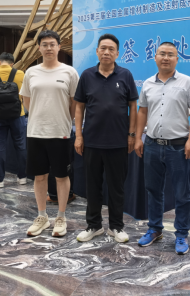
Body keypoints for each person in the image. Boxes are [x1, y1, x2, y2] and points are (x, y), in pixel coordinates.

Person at [134, 42, 190, 255]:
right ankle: (155, 229)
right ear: (155, 57)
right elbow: (142, 111)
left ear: (177, 59)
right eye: (162, 54)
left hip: (178, 146)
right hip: (152, 144)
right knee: (153, 190)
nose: (165, 57)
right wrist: (138, 138)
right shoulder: (147, 84)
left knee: (182, 193)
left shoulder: (187, 82)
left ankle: (181, 234)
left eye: (170, 54)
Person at [74, 34, 138, 243]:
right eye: (103, 48)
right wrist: (79, 135)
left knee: (116, 187)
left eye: (111, 49)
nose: (106, 52)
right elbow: (79, 107)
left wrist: (131, 134)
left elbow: (133, 106)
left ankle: (116, 227)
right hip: (92, 141)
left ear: (117, 53)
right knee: (92, 186)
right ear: (97, 51)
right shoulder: (87, 75)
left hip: (118, 142)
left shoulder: (125, 75)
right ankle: (94, 225)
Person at [21, 30, 79, 237]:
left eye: (52, 44)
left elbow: (74, 103)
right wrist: (39, 116)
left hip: (60, 132)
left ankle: (61, 217)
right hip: (36, 132)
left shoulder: (69, 72)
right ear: (39, 48)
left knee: (62, 176)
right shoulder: (31, 72)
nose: (48, 48)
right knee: (39, 176)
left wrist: (64, 120)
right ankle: (42, 216)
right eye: (44, 44)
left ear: (59, 47)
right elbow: (27, 101)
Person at [0, 52, 27, 188]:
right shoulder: (20, 74)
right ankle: (22, 177)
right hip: (18, 115)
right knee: (20, 146)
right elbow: (24, 94)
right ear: (12, 63)